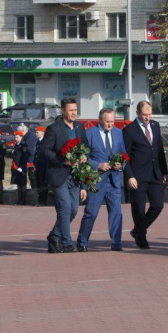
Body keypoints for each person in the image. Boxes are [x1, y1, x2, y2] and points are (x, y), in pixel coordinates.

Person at [42, 97, 89, 253]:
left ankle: (54, 236)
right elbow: (45, 151)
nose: (74, 113)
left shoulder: (79, 127)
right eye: (71, 110)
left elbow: (85, 146)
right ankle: (66, 243)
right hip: (59, 175)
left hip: (75, 175)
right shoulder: (54, 129)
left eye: (75, 110)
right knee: (64, 208)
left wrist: (84, 156)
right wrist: (63, 162)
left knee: (74, 209)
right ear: (63, 111)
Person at [76, 108, 126, 252]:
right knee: (91, 213)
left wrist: (121, 164)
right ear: (100, 120)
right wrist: (97, 165)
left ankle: (116, 242)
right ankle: (82, 240)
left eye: (112, 121)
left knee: (116, 213)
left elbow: (124, 154)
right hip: (96, 180)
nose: (110, 124)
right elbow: (84, 158)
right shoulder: (90, 133)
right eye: (107, 121)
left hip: (114, 180)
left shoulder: (118, 133)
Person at [123, 101, 168, 249]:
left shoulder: (155, 126)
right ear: (137, 113)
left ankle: (137, 230)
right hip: (138, 176)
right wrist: (129, 176)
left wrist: (164, 171)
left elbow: (159, 149)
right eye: (144, 114)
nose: (147, 117)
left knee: (158, 205)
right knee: (138, 208)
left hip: (155, 173)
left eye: (149, 114)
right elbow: (125, 155)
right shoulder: (129, 130)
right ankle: (141, 238)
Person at [11, 130, 29, 205]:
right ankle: (19, 199)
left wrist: (21, 167)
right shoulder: (16, 145)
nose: (16, 138)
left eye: (17, 137)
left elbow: (25, 157)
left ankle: (23, 200)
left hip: (22, 167)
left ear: (21, 137)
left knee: (22, 183)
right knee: (18, 183)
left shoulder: (23, 145)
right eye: (15, 137)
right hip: (16, 166)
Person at [23, 125, 39, 203]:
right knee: (32, 176)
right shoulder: (29, 135)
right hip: (31, 159)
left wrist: (29, 161)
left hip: (31, 160)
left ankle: (35, 192)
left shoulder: (29, 136)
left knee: (32, 176)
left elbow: (31, 149)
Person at [33, 126, 48, 206]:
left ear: (42, 132)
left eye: (37, 132)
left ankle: (43, 201)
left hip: (43, 166)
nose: (36, 133)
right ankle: (39, 200)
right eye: (36, 132)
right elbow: (36, 154)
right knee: (38, 184)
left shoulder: (45, 141)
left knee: (43, 184)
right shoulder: (37, 142)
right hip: (38, 166)